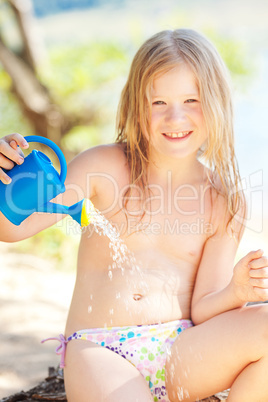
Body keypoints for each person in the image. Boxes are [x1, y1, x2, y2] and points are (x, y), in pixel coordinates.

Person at [0, 28, 268, 402]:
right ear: (134, 107)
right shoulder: (104, 169)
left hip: (184, 350)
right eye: (158, 103)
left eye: (192, 99)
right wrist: (8, 178)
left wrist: (237, 291)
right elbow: (13, 229)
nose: (176, 117)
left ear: (217, 104)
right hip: (100, 350)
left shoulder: (223, 199)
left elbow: (204, 306)